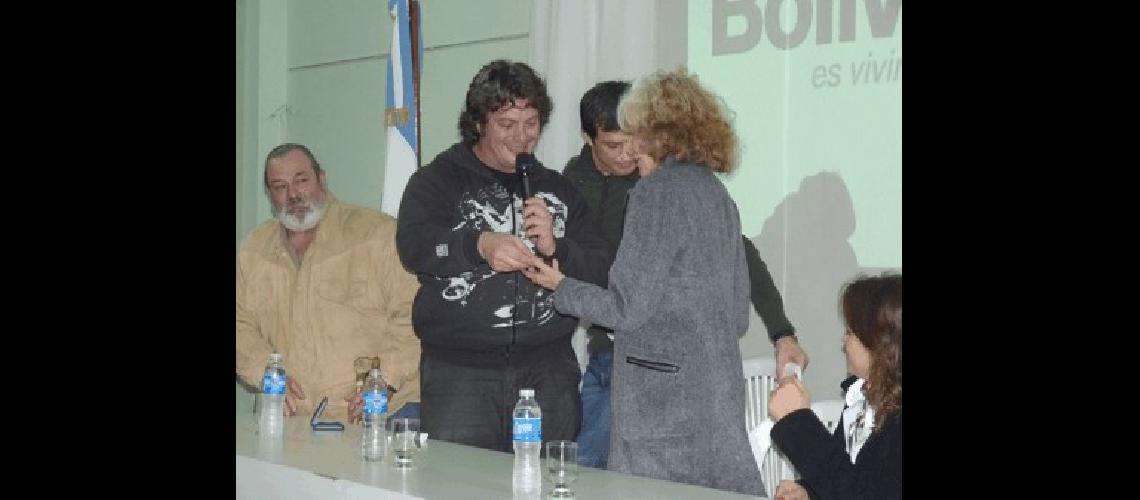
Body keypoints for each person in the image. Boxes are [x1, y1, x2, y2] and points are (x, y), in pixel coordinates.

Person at [523, 68, 763, 496]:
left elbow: (624, 309)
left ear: (652, 133)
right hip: (716, 394)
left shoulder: (654, 194)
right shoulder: (717, 195)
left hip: (661, 409)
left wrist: (560, 285)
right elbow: (738, 314)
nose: (626, 139)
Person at [564, 81, 808, 470]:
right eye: (614, 145)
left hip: (648, 366)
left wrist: (782, 330)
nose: (627, 153)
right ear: (588, 139)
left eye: (633, 141)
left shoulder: (658, 189)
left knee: (612, 478)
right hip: (617, 356)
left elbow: (740, 258)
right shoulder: (571, 186)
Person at [394, 60, 611, 453]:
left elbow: (601, 270)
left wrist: (557, 248)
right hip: (461, 374)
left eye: (531, 123)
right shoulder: (437, 181)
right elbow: (414, 246)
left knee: (546, 486)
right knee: (461, 486)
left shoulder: (559, 190)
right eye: (507, 124)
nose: (522, 137)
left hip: (549, 373)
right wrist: (478, 245)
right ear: (478, 123)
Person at [236, 143, 423, 424]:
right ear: (270, 194)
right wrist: (266, 372)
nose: (293, 195)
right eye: (280, 186)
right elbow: (241, 326)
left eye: (301, 180)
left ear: (321, 179)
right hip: (295, 420)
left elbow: (414, 316)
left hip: (381, 415)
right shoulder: (254, 249)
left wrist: (383, 380)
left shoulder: (377, 234)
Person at [768, 273, 902, 500]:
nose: (843, 340)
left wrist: (797, 421)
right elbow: (848, 478)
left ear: (879, 343)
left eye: (850, 331)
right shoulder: (862, 398)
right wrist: (809, 491)